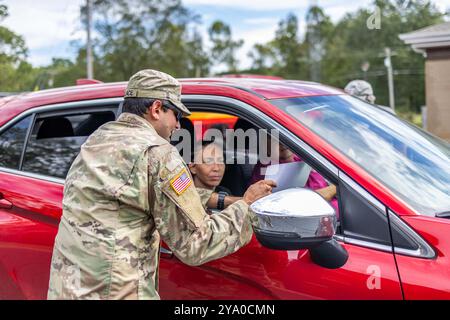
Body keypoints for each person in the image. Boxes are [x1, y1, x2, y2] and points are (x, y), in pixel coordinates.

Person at [47, 69, 276, 300]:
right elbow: (196, 243)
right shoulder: (158, 153)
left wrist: (221, 199)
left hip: (66, 289)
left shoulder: (97, 138)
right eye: (176, 114)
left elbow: (136, 192)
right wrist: (246, 206)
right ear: (156, 108)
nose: (178, 125)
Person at [250, 140, 339, 217]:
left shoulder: (304, 158)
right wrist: (337, 187)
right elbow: (304, 201)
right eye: (274, 138)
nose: (282, 143)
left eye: (284, 137)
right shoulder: (267, 171)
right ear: (265, 144)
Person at [189, 140, 242, 212]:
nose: (216, 168)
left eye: (220, 161)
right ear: (193, 167)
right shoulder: (182, 194)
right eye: (208, 162)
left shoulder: (224, 192)